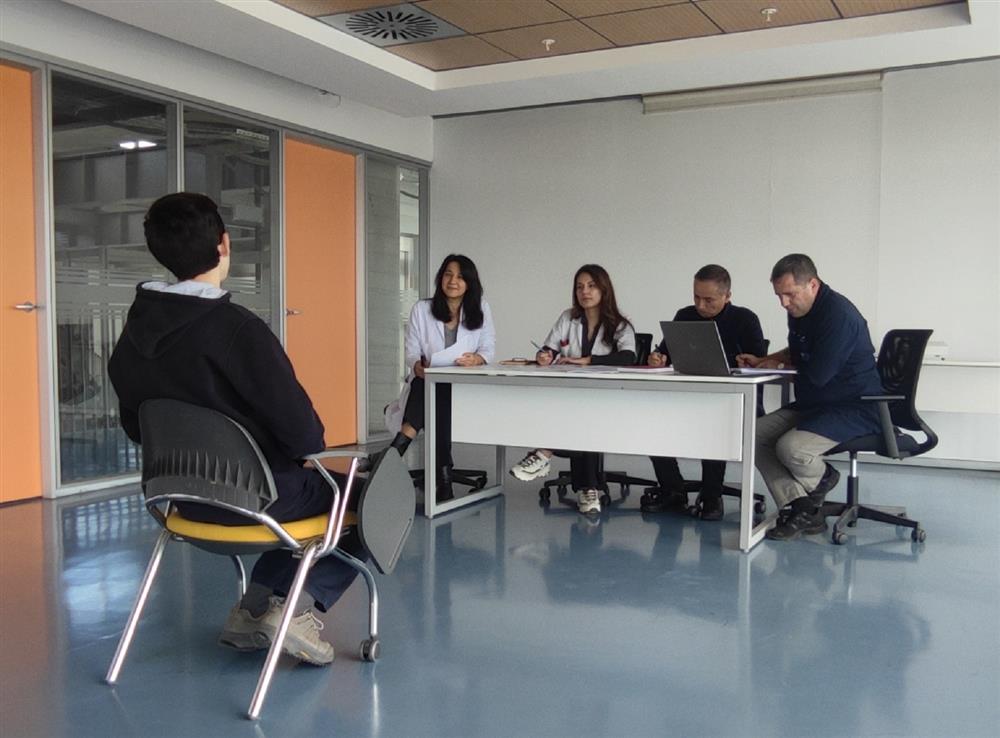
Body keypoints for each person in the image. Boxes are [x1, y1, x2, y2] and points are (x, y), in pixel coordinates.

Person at [108, 192, 360, 666]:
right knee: (365, 498)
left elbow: (137, 428)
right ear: (223, 244)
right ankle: (290, 610)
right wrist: (298, 455)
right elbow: (306, 436)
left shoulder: (132, 336)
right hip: (257, 502)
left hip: (180, 501)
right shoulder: (236, 329)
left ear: (159, 251)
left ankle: (253, 610)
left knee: (310, 492)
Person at [736, 253, 883, 541]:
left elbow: (818, 374)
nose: (784, 303)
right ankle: (801, 507)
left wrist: (778, 367)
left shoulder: (839, 316)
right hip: (817, 404)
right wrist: (763, 360)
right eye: (779, 296)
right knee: (752, 435)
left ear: (812, 285)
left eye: (789, 294)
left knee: (791, 448)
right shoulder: (800, 311)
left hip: (854, 407)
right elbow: (796, 352)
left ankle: (823, 478)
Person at [509, 264, 636, 515]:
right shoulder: (568, 318)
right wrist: (544, 356)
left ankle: (545, 452)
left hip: (607, 397)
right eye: (579, 287)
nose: (584, 291)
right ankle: (587, 489)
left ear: (604, 290)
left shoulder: (619, 325)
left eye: (591, 286)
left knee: (582, 412)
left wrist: (589, 360)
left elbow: (629, 357)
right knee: (578, 412)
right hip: (570, 394)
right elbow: (549, 347)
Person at [642, 264, 766, 519]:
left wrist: (746, 362)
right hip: (689, 398)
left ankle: (712, 495)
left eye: (709, 300)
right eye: (696, 297)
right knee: (651, 422)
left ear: (727, 296)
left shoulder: (745, 319)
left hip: (733, 401)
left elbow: (760, 364)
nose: (700, 305)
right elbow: (666, 352)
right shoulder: (684, 316)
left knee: (714, 423)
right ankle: (672, 489)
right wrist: (658, 358)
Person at [385, 254, 496, 501]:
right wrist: (416, 365)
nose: (453, 281)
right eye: (448, 274)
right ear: (440, 278)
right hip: (428, 379)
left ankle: (393, 453)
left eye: (460, 276)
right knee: (432, 388)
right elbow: (411, 350)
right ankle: (443, 477)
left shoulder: (481, 308)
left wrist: (477, 359)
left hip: (463, 384)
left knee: (437, 391)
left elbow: (489, 348)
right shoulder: (422, 309)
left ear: (469, 282)